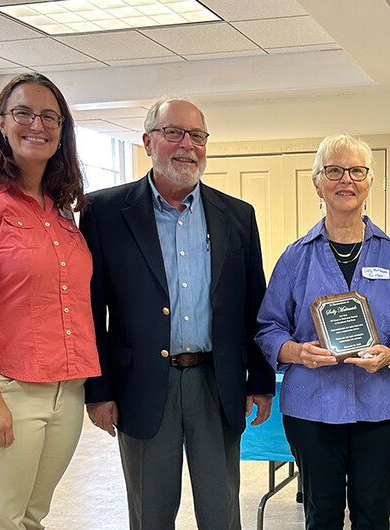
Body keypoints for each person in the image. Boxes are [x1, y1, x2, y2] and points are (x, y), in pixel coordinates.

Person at [80, 96, 274, 530]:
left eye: (198, 136)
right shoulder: (104, 213)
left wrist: (260, 381)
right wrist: (98, 390)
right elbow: (91, 310)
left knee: (221, 510)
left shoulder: (237, 216)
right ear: (148, 141)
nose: (187, 145)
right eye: (174, 133)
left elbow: (253, 305)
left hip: (215, 380)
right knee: (150, 511)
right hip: (143, 386)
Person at [0, 72, 99, 529]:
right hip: (3, 388)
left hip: (64, 390)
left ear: (62, 132)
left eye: (50, 116)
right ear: (2, 124)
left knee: (31, 517)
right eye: (24, 113)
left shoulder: (60, 211)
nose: (38, 124)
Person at [255, 134, 390, 529]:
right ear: (318, 182)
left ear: (369, 182)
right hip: (313, 409)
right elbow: (268, 327)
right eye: (334, 170)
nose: (346, 179)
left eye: (356, 171)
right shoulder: (295, 258)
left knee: (373, 514)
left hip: (380, 408)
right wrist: (296, 352)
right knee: (322, 514)